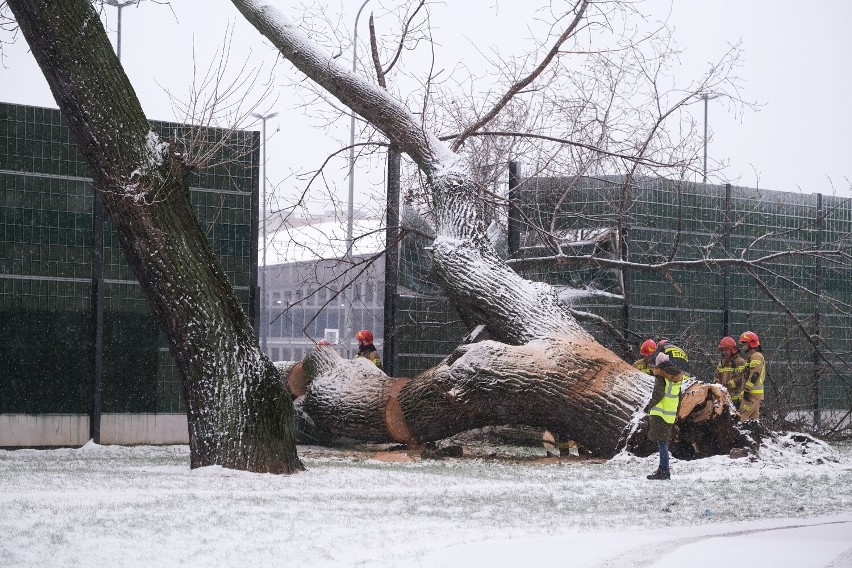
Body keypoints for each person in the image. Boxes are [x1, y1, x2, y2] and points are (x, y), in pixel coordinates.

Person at [645, 343, 689, 480]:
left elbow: (658, 394)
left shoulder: (661, 376)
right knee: (664, 442)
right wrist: (676, 412)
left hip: (660, 412)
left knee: (662, 443)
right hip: (670, 413)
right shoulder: (676, 378)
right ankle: (662, 469)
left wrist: (649, 407)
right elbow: (679, 396)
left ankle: (664, 470)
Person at [713, 336, 747, 409]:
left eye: (727, 350)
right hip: (723, 398)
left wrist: (726, 385)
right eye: (723, 350)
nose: (724, 352)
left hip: (735, 399)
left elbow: (740, 379)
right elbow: (716, 376)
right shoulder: (722, 363)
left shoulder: (740, 362)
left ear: (733, 350)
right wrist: (717, 384)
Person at [738, 331, 765, 420]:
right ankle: (756, 434)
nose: (743, 347)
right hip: (755, 394)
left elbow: (755, 374)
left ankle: (740, 434)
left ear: (751, 344)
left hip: (751, 394)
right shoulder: (753, 356)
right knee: (754, 421)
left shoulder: (756, 356)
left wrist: (747, 389)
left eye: (745, 344)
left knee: (741, 418)